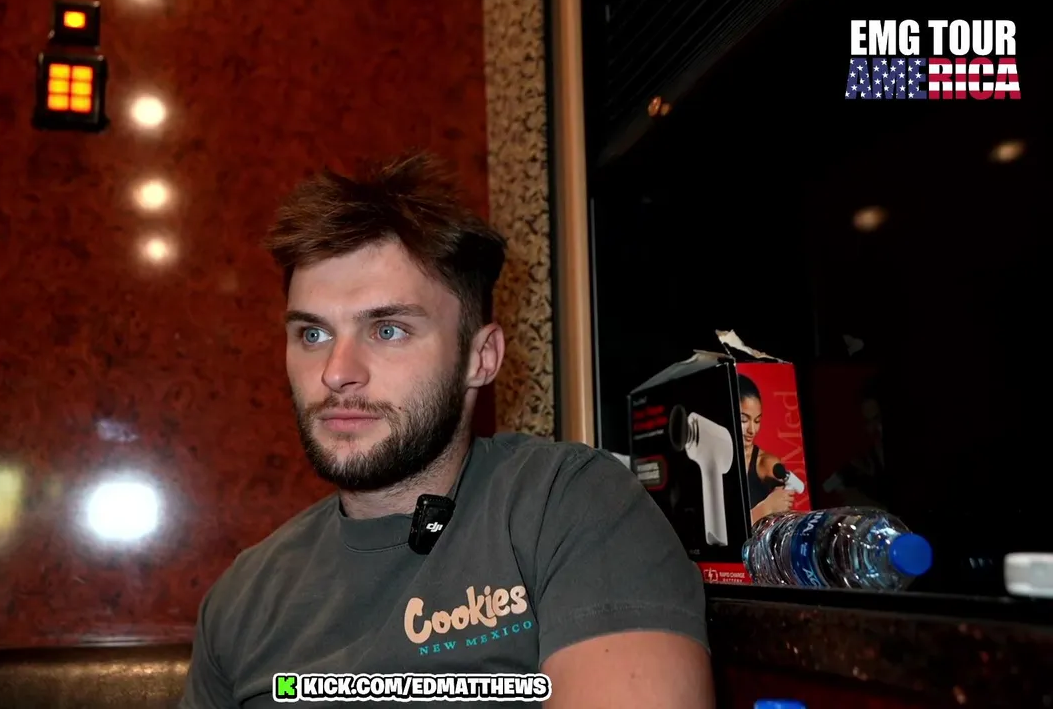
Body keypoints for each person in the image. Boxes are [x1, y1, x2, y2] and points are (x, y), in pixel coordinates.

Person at [179, 153, 712, 708]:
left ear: (481, 358)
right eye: (312, 335)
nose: (336, 372)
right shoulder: (242, 600)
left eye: (387, 329)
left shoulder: (571, 509)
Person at [739, 375, 795, 524]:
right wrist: (763, 509)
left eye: (757, 421)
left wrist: (775, 505)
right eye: (744, 420)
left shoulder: (766, 464)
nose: (752, 430)